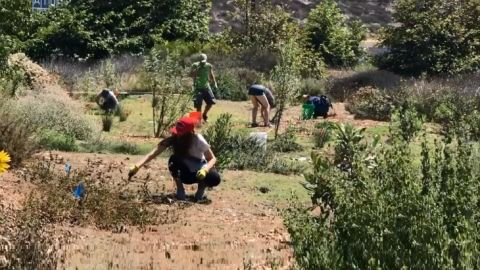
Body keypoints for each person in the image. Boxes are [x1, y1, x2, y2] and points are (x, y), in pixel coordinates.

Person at [128, 116, 221, 202]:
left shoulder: (198, 139)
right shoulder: (173, 139)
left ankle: (201, 190)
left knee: (214, 177)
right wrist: (137, 166)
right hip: (185, 172)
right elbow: (152, 154)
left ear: (189, 132)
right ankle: (180, 189)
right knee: (174, 160)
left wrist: (205, 170)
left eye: (182, 133)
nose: (179, 135)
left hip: (199, 169)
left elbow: (212, 158)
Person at [191, 53, 218, 123]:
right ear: (199, 61)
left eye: (204, 61)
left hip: (206, 87)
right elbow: (191, 74)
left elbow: (211, 74)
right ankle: (198, 120)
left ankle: (204, 115)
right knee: (198, 105)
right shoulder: (195, 65)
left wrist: (215, 83)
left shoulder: (208, 66)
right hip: (197, 87)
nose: (203, 63)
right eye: (201, 61)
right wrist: (197, 69)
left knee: (211, 102)